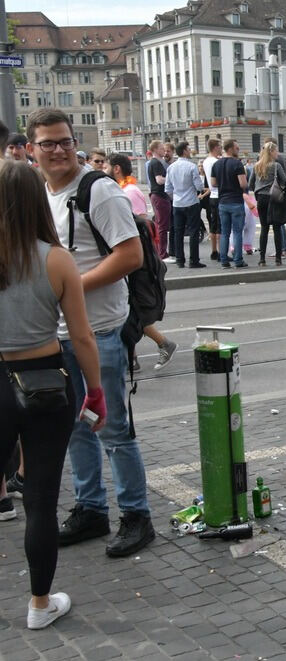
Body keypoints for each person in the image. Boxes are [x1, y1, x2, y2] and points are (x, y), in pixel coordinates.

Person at [27, 108, 155, 557]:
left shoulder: (98, 190)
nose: (59, 150)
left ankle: (136, 515)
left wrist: (71, 288)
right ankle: (91, 508)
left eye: (65, 141)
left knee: (113, 428)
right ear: (32, 149)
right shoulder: (40, 194)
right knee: (75, 427)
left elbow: (131, 255)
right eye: (48, 143)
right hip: (56, 333)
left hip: (100, 329)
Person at [0, 159, 107, 628]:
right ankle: (40, 605)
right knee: (40, 500)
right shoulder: (56, 259)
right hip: (45, 381)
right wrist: (95, 391)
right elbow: (81, 336)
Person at [108, 154, 178, 372]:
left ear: (116, 168)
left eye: (102, 163)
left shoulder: (127, 192)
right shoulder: (116, 190)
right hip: (131, 261)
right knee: (129, 313)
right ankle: (137, 356)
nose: (97, 166)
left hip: (136, 263)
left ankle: (143, 353)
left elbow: (141, 223)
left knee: (131, 312)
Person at [164, 141, 205, 269]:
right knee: (193, 231)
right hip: (191, 202)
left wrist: (175, 197)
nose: (190, 151)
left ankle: (180, 260)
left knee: (178, 232)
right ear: (184, 151)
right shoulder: (192, 166)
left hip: (177, 203)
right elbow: (199, 186)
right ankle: (193, 260)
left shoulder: (171, 167)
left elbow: (168, 188)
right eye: (188, 149)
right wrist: (198, 190)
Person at [247, 142, 286, 267]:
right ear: (271, 152)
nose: (277, 153)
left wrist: (259, 189)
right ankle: (278, 259)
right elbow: (285, 181)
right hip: (274, 198)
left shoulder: (257, 166)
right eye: (276, 151)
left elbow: (250, 184)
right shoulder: (276, 166)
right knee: (276, 228)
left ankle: (262, 259)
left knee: (264, 229)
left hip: (261, 199)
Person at [211, 139, 249, 268]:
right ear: (230, 149)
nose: (238, 150)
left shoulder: (216, 164)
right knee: (237, 232)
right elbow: (243, 184)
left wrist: (224, 183)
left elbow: (213, 183)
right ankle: (238, 260)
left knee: (224, 233)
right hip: (236, 201)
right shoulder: (237, 164)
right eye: (237, 148)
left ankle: (224, 261)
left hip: (222, 202)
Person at [146, 140, 171, 260]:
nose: (164, 150)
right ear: (155, 149)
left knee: (160, 224)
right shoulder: (156, 163)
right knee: (162, 226)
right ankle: (162, 253)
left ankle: (160, 251)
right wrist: (171, 179)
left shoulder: (153, 162)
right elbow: (159, 180)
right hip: (160, 195)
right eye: (161, 148)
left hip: (157, 195)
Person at [200, 139, 223, 260]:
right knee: (220, 225)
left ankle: (214, 251)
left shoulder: (205, 161)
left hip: (212, 196)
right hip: (219, 194)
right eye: (220, 147)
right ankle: (221, 251)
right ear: (215, 148)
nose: (221, 149)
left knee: (213, 224)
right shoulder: (216, 162)